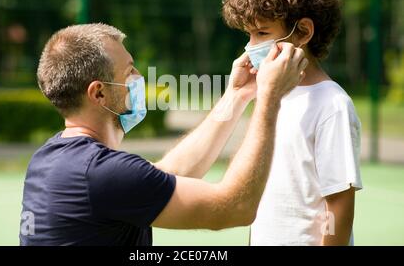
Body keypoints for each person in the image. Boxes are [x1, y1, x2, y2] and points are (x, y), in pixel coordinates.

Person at [19, 23, 307, 245]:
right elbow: (236, 207)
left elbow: (165, 176)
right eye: (129, 71)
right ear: (99, 92)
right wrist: (270, 98)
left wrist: (236, 95)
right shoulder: (101, 173)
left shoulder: (51, 158)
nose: (138, 79)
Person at [222, 0, 363, 246]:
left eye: (262, 33)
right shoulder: (271, 95)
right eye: (248, 34)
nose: (251, 46)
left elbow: (339, 204)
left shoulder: (332, 104)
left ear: (303, 32)